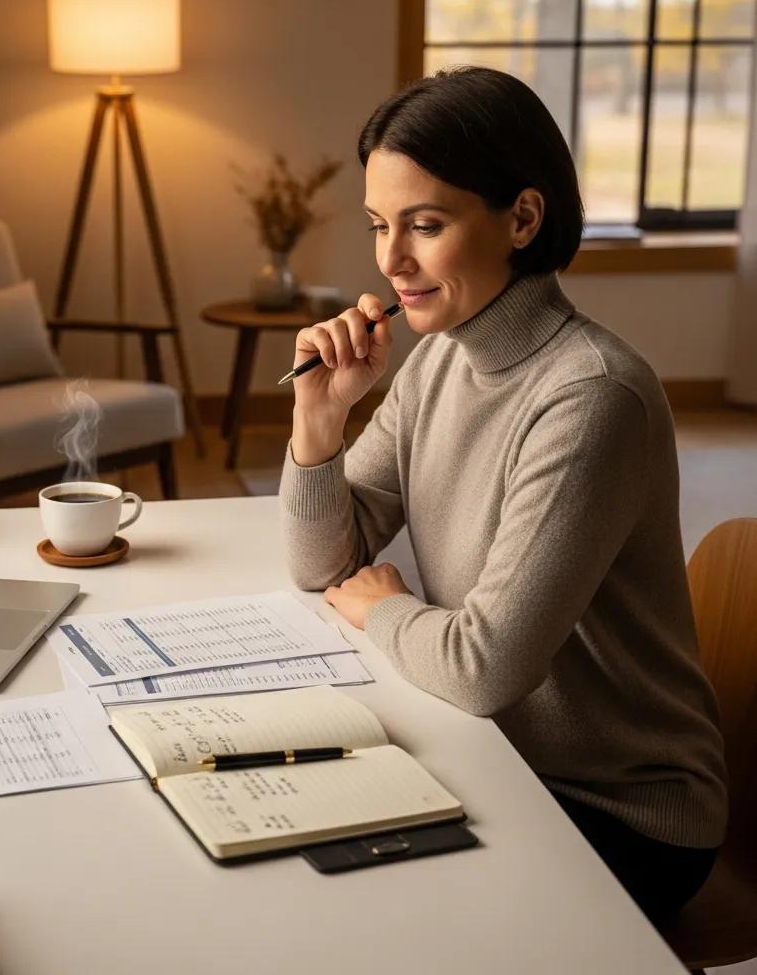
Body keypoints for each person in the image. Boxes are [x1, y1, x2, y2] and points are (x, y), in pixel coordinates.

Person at [279, 66, 727, 921]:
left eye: (426, 225)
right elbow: (322, 566)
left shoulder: (592, 396)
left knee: (348, 909)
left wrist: (386, 610)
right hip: (495, 755)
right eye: (380, 226)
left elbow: (482, 669)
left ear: (522, 218)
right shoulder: (444, 356)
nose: (392, 260)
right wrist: (320, 421)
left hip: (620, 812)